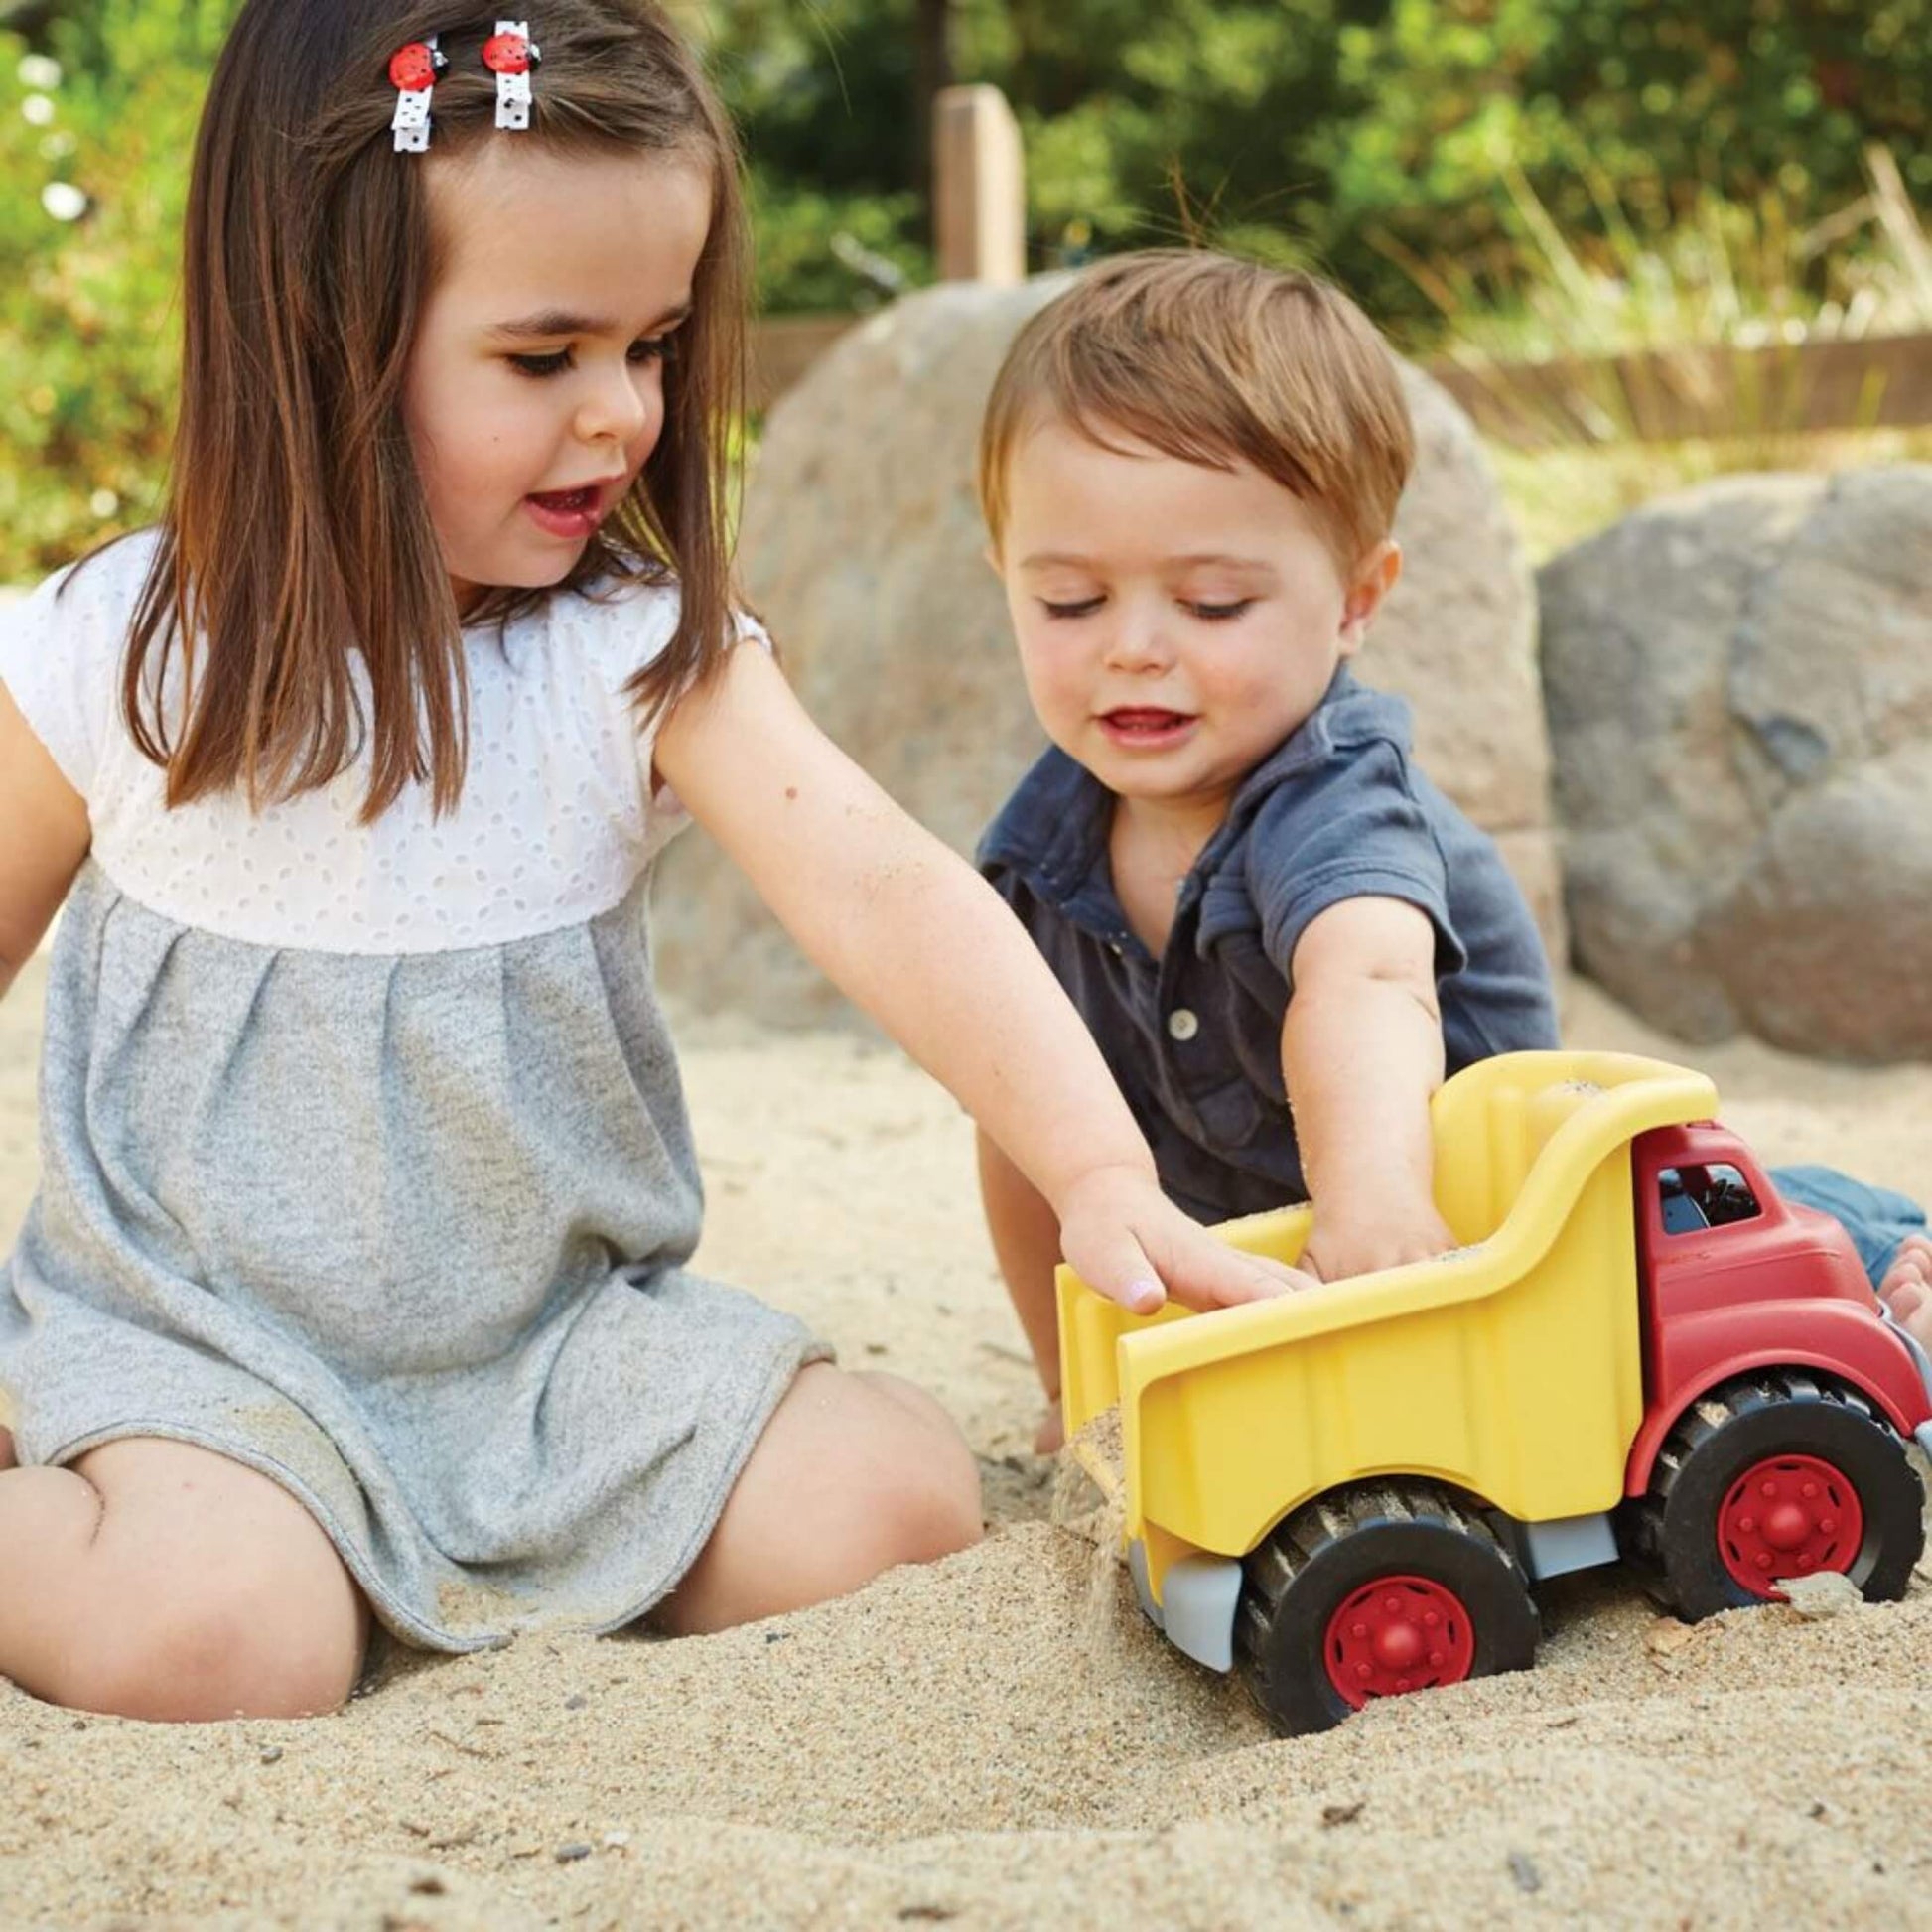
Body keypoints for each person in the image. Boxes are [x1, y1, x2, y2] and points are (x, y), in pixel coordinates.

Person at [0, 7, 1298, 1726]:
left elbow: (884, 887)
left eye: (657, 344)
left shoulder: (636, 651)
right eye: (544, 358)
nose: (621, 414)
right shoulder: (127, 655)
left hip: (556, 1364)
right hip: (204, 1360)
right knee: (226, 1647)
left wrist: (1099, 1172)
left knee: (893, 1500)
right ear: (320, 334)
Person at [968, 249, 1932, 1449]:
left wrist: (1374, 1203)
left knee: (1659, 1291)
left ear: (1356, 600)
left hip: (1492, 1199)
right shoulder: (1037, 850)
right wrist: (1074, 1382)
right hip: (1285, 1253)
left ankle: (1880, 1240)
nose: (1134, 648)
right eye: (1070, 602)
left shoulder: (1332, 792)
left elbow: (1361, 979)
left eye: (1212, 603)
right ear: (1003, 575)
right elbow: (1020, 1127)